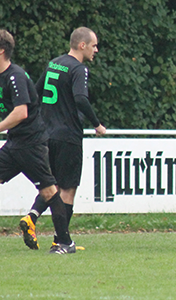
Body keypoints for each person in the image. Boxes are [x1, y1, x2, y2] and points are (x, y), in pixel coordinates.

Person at [19, 27, 106, 251]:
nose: (97, 50)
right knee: (68, 189)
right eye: (94, 45)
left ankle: (32, 216)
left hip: (47, 135)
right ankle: (61, 241)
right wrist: (96, 124)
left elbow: (35, 94)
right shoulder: (79, 69)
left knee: (52, 184)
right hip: (68, 136)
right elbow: (80, 99)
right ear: (82, 45)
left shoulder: (53, 63)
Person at [0, 29, 74, 254]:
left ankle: (65, 242)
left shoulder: (15, 76)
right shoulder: (2, 76)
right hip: (15, 144)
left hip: (31, 144)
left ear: (0, 51)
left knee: (49, 192)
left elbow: (21, 113)